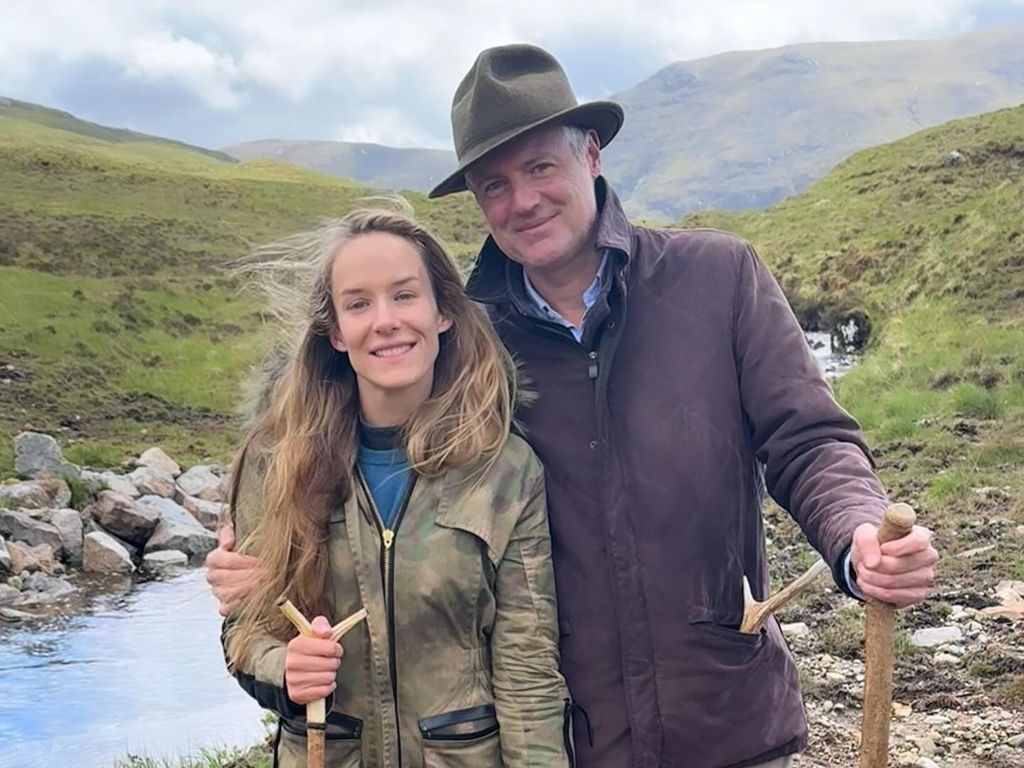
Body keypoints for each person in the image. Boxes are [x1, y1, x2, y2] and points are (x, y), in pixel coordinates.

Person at [210, 45, 939, 768]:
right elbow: (354, 449)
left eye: (539, 167)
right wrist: (258, 557)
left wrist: (855, 538)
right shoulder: (466, 340)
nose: (522, 200)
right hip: (570, 740)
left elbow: (809, 440)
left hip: (725, 722)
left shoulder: (718, 279)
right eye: (494, 184)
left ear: (590, 152)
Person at [219, 204, 571, 767]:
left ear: (443, 313)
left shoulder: (504, 468)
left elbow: (527, 670)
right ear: (335, 332)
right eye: (359, 304)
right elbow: (244, 630)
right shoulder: (275, 461)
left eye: (405, 295)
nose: (385, 320)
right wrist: (282, 668)